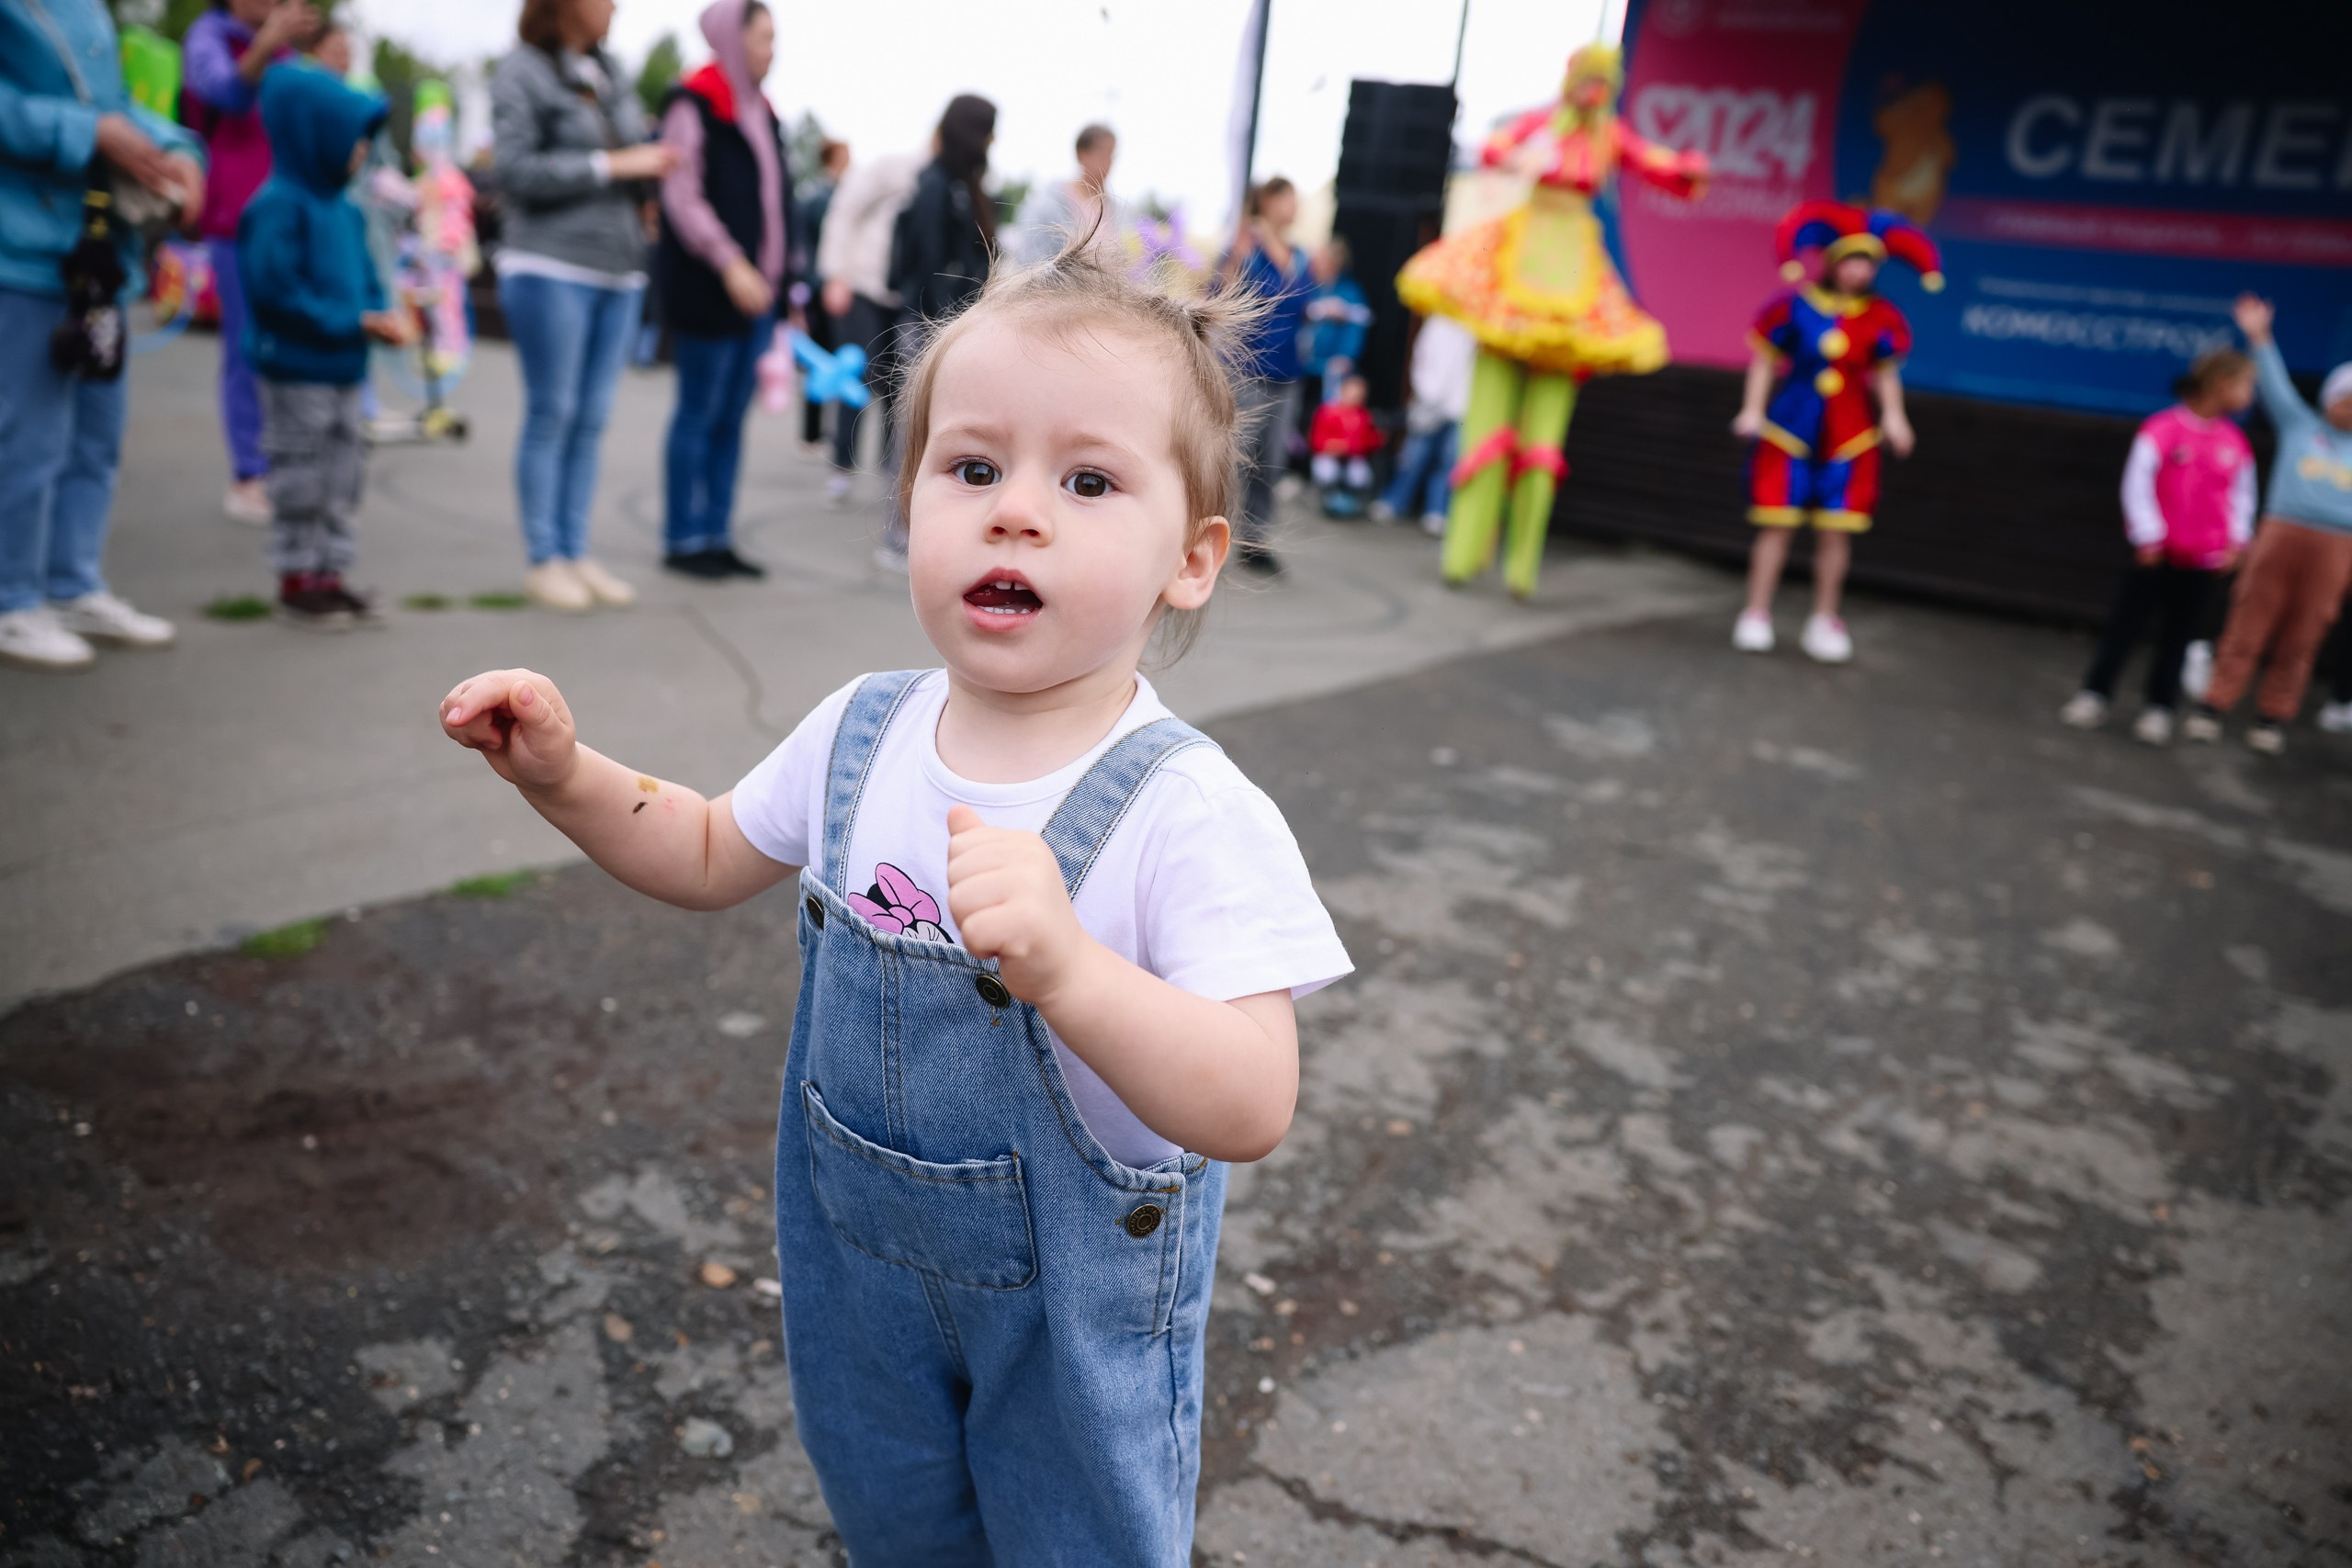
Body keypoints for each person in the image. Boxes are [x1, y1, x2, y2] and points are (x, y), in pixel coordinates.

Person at [438, 240, 1350, 1562]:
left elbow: (1253, 1096)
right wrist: (566, 776)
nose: (1015, 511)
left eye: (1087, 481)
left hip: (1073, 1323)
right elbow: (700, 849)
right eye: (973, 467)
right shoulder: (861, 731)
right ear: (908, 495)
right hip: (861, 1284)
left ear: (1191, 560)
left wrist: (1073, 971)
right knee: (897, 1525)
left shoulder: (1185, 810)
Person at [1395, 44, 1706, 599]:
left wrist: (1685, 168)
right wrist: (1512, 156)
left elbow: (1654, 163)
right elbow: (1496, 146)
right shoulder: (1542, 124)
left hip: (1572, 278)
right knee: (1484, 431)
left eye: (1602, 83)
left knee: (1543, 446)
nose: (1593, 93)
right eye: (1587, 80)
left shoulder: (1610, 135)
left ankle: (1521, 568)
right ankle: (1463, 554)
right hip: (1522, 263)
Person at [0, 0, 202, 671]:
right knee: (29, 438)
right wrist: (90, 133)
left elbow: (111, 101)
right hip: (21, 251)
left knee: (94, 435)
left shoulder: (87, 7)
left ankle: (71, 582)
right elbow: (87, 114)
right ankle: (12, 597)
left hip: (93, 256)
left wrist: (176, 148)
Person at [491, 0, 679, 612]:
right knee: (554, 411)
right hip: (549, 263)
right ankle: (543, 557)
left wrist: (643, 182)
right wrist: (614, 163)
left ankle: (574, 551)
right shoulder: (521, 69)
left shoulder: (610, 70)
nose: (615, 6)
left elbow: (634, 151)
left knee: (592, 417)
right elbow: (514, 171)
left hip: (618, 267)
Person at [238, 61, 412, 626]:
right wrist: (353, 320)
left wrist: (381, 313)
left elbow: (367, 279)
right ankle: (296, 576)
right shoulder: (277, 206)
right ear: (314, 135)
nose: (361, 151)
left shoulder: (348, 210)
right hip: (296, 370)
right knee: (301, 474)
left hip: (344, 371)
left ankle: (330, 574)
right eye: (352, 139)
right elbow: (275, 293)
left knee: (343, 474)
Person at [1731, 202, 1938, 663]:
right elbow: (1765, 359)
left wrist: (1895, 418)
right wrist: (1751, 409)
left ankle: (1824, 618)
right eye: (1852, 260)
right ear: (1832, 262)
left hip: (1849, 432)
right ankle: (1756, 612)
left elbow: (1885, 374)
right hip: (1791, 425)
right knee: (1777, 524)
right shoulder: (1794, 306)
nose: (1859, 272)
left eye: (1868, 263)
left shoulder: (1881, 316)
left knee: (1835, 532)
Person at [655, 0, 793, 581]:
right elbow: (682, 196)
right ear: (733, 39)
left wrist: (787, 283)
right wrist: (731, 263)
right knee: (698, 412)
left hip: (758, 301)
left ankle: (716, 532)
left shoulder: (764, 112)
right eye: (763, 36)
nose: (772, 49)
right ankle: (682, 537)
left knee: (731, 418)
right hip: (712, 291)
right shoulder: (695, 101)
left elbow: (778, 206)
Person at [2058, 348, 2256, 744]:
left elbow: (2242, 496)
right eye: (2246, 385)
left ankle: (2159, 708)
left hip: (2202, 561)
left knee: (2178, 637)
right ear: (2221, 385)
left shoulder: (2236, 443)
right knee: (2125, 628)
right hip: (2155, 557)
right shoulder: (2162, 429)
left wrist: (2236, 542)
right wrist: (2148, 535)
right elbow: (2137, 484)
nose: (2250, 395)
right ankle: (2095, 695)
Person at [2183, 297, 2352, 755]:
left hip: (2338, 547)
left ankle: (2272, 716)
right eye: (2345, 398)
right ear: (2330, 397)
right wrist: (2259, 336)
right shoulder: (2301, 426)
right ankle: (2214, 704)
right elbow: (2275, 386)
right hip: (2281, 532)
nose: (2350, 408)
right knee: (2249, 619)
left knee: (2306, 631)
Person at [183, 0, 319, 526]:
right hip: (234, 219)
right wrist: (266, 45)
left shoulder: (284, 53)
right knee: (247, 350)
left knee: (288, 348)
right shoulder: (209, 36)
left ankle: (285, 464)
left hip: (284, 220)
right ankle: (248, 474)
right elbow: (226, 95)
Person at [873, 92, 996, 570]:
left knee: (940, 433)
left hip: (947, 325)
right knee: (913, 433)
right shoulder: (936, 184)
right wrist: (941, 322)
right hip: (929, 326)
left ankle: (920, 530)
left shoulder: (961, 185)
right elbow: (926, 264)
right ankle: (897, 534)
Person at [813, 144, 918, 504]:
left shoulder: (940, 178)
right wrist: (835, 275)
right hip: (862, 287)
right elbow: (843, 214)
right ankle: (841, 467)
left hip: (901, 296)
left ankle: (890, 472)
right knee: (854, 378)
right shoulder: (892, 166)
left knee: (897, 388)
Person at [1217, 175, 1311, 575]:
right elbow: (1220, 294)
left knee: (1270, 462)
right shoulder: (1245, 248)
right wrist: (1238, 253)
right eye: (1289, 199)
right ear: (1270, 201)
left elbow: (1303, 295)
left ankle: (1256, 541)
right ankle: (1208, 535)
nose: (1295, 208)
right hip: (1246, 369)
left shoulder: (1298, 254)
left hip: (1286, 372)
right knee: (1233, 458)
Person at [1373, 312, 1476, 536]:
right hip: (1429, 400)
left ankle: (1437, 511)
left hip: (1462, 405)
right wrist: (1426, 391)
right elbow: (1421, 357)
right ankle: (1394, 501)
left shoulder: (1481, 328)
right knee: (1414, 456)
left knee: (1449, 461)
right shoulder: (1439, 321)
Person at [795, 137, 849, 453]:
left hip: (818, 286)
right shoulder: (823, 197)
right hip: (821, 288)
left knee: (823, 358)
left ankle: (814, 430)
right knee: (820, 357)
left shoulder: (817, 193)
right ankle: (812, 431)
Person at [1006, 121, 1122, 267]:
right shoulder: (1048, 205)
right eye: (1101, 153)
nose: (1108, 162)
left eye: (1111, 155)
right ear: (1082, 153)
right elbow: (1031, 264)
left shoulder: (1116, 209)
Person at [1297, 235, 1370, 406]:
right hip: (1301, 364)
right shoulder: (1307, 288)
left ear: (1334, 263)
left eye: (1320, 260)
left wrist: (1346, 356)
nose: (1313, 265)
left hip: (1330, 369)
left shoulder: (1350, 293)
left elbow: (1357, 327)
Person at [1307, 373, 1381, 515]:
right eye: (1351, 394)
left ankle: (1353, 503)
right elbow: (1316, 440)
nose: (1354, 399)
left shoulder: (1363, 416)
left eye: (1359, 396)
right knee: (1326, 470)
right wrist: (1330, 446)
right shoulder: (1327, 412)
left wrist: (1350, 447)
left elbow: (1370, 441)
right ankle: (1326, 500)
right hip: (1328, 456)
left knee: (1359, 474)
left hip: (1353, 458)